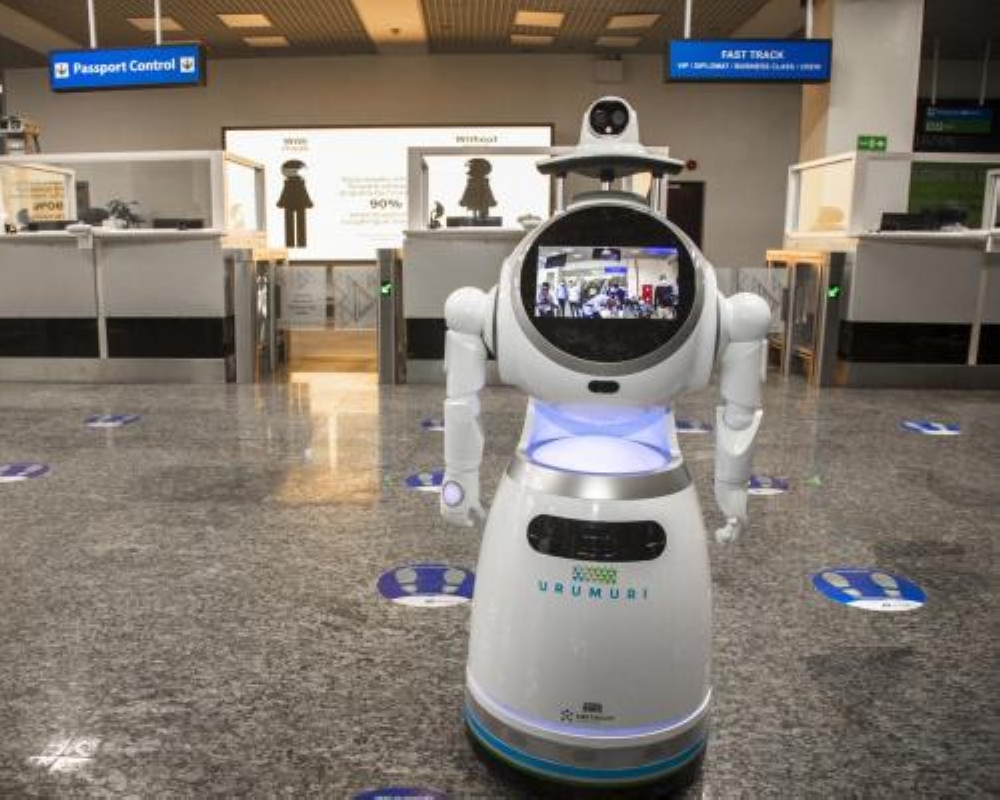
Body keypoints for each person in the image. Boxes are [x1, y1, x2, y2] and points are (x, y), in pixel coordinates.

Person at [277, 159, 313, 248]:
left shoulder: (291, 183)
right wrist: (308, 202)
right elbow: (303, 193)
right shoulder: (296, 183)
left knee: (295, 224)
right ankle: (298, 243)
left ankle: (297, 243)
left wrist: (281, 202)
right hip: (298, 203)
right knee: (296, 224)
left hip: (291, 203)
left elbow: (285, 193)